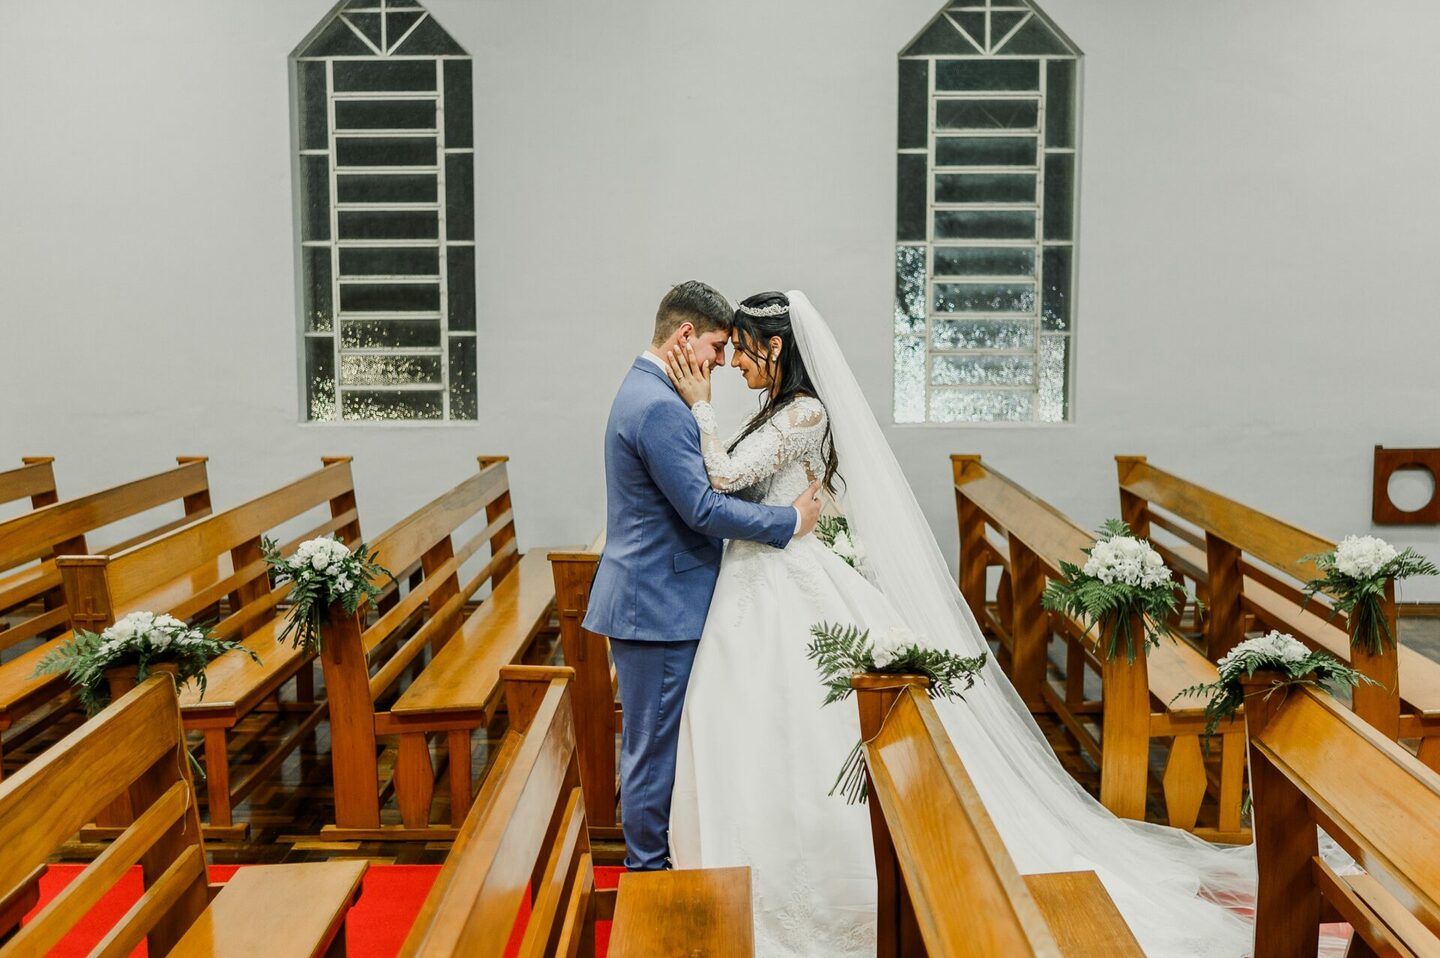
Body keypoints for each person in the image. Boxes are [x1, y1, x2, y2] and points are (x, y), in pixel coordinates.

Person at [663, 290, 1256, 958]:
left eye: (743, 347)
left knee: (801, 727)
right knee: (757, 724)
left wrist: (698, 405)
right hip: (760, 582)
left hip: (781, 584)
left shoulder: (805, 408)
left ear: (775, 348)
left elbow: (724, 473)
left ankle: (823, 887)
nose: (735, 361)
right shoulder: (776, 408)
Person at [583, 280, 823, 873]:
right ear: (685, 336)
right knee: (652, 753)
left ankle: (668, 862)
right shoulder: (661, 406)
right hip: (659, 605)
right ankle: (647, 875)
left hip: (662, 599)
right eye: (718, 346)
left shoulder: (650, 392)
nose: (722, 361)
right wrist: (790, 519)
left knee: (664, 746)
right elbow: (704, 510)